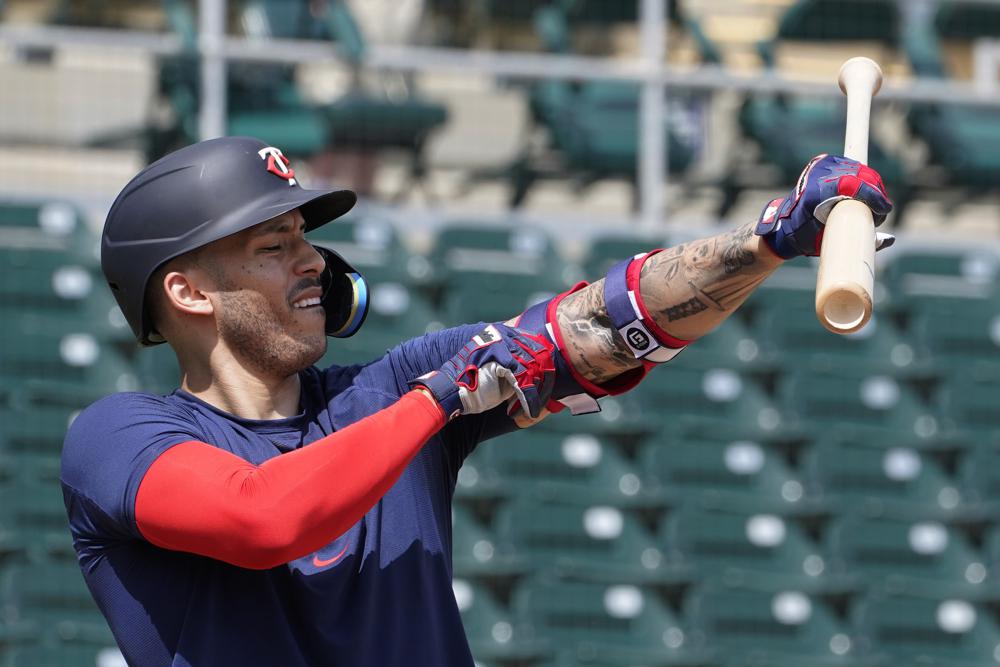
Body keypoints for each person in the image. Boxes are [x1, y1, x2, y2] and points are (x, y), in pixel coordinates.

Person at [61, 137, 893, 666]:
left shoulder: (386, 389)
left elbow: (607, 322)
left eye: (310, 242)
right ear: (187, 291)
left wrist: (769, 240)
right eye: (275, 247)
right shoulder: (118, 436)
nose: (313, 262)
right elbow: (263, 521)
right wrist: (435, 401)